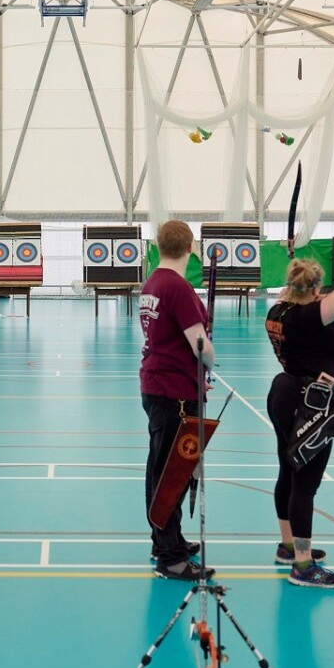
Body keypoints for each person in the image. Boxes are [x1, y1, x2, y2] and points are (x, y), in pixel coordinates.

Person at [264, 257, 334, 588]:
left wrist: (304, 292)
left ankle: (289, 546)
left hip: (284, 394)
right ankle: (303, 567)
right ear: (316, 288)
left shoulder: (278, 312)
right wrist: (316, 296)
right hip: (309, 403)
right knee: (306, 482)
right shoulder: (307, 317)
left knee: (288, 470)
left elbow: (303, 299)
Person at [139, 220, 216, 581]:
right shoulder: (178, 288)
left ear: (159, 246)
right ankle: (170, 555)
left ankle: (167, 539)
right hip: (175, 394)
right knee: (171, 475)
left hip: (162, 386)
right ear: (191, 248)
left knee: (163, 468)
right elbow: (202, 348)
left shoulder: (154, 281)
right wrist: (208, 358)